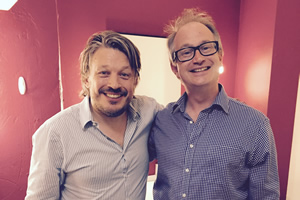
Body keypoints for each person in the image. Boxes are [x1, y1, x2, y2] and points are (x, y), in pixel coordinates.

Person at [148, 8, 280, 199]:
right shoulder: (160, 121)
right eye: (186, 52)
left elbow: (265, 196)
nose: (198, 58)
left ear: (220, 55)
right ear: (174, 68)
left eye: (206, 47)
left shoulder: (255, 125)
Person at [25, 30, 162, 200]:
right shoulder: (54, 133)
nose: (114, 84)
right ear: (86, 79)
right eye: (103, 73)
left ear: (135, 79)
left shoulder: (149, 112)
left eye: (124, 74)